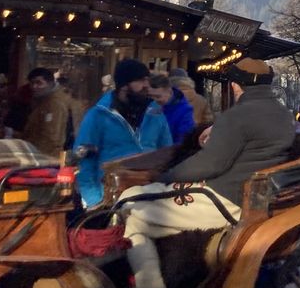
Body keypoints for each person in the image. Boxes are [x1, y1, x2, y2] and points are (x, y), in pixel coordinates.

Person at [118, 58, 293, 288]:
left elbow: (211, 163)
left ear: (236, 86)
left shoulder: (237, 116)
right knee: (138, 219)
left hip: (221, 200)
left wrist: (168, 176)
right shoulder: (283, 114)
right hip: (251, 198)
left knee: (129, 205)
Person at [72, 59, 172, 209]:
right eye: (140, 80)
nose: (146, 85)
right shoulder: (98, 116)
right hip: (110, 200)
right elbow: (84, 161)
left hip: (152, 198)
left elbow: (167, 153)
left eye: (147, 80)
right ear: (124, 85)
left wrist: (167, 191)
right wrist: (94, 200)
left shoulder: (155, 113)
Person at [21, 67, 73, 159]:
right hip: (42, 155)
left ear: (50, 83)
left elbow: (53, 139)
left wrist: (39, 158)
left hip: (48, 158)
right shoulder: (44, 99)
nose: (34, 87)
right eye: (32, 83)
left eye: (39, 83)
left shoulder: (56, 103)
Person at [147, 73, 195, 145]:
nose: (154, 100)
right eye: (150, 96)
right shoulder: (149, 107)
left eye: (158, 97)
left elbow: (184, 139)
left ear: (169, 92)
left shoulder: (184, 111)